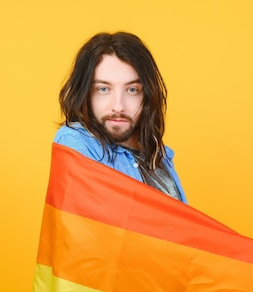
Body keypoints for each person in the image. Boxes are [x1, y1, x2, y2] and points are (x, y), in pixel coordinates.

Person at [54, 32, 187, 203]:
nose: (118, 106)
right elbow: (92, 223)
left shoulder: (159, 156)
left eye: (132, 90)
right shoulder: (75, 142)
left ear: (146, 95)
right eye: (103, 89)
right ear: (86, 93)